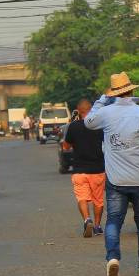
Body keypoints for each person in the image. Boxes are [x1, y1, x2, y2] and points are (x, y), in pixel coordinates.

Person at [84, 72, 139, 276]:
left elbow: (88, 122)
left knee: (113, 221)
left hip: (116, 179)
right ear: (132, 89)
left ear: (113, 93)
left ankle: (113, 259)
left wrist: (101, 99)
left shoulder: (106, 113)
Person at [62, 99, 105, 238]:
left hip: (80, 170)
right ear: (91, 109)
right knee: (98, 201)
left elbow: (66, 147)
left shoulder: (73, 126)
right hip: (98, 169)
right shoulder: (99, 126)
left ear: (78, 111)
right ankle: (97, 226)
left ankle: (87, 219)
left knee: (82, 198)